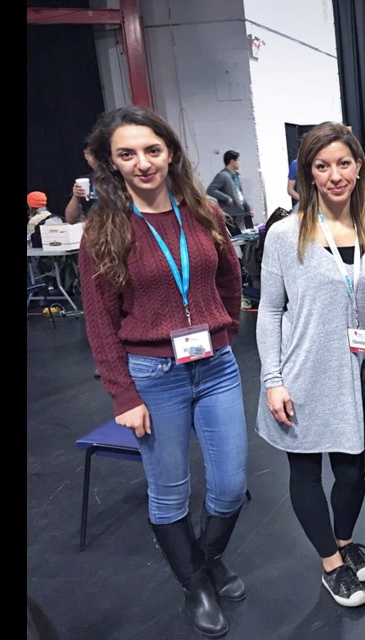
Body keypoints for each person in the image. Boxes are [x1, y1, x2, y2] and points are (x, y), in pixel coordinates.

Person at [78, 105, 248, 638]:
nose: (143, 163)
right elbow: (102, 326)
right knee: (169, 491)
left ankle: (206, 556)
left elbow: (229, 281)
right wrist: (123, 395)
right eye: (127, 154)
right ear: (112, 163)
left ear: (170, 151)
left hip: (216, 367)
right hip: (154, 376)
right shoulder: (103, 231)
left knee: (230, 483)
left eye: (152, 150)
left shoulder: (204, 213)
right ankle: (196, 581)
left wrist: (225, 331)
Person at [255, 121, 365, 609]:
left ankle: (343, 539)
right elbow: (270, 310)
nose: (335, 175)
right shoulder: (285, 235)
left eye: (343, 163)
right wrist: (273, 379)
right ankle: (331, 563)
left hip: (359, 373)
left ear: (359, 166)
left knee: (353, 473)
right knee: (308, 472)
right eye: (322, 166)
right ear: (308, 174)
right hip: (304, 373)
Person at [206, 150, 255, 232]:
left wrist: (248, 208)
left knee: (251, 238)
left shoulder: (235, 176)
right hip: (231, 215)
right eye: (238, 160)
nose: (239, 163)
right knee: (238, 239)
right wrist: (226, 198)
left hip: (242, 213)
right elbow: (210, 190)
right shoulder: (223, 176)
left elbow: (240, 195)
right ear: (232, 161)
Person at [64, 140, 99, 224]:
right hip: (94, 230)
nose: (95, 158)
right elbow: (70, 219)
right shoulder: (85, 180)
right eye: (91, 153)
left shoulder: (118, 178)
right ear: (86, 155)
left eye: (98, 153)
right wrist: (76, 196)